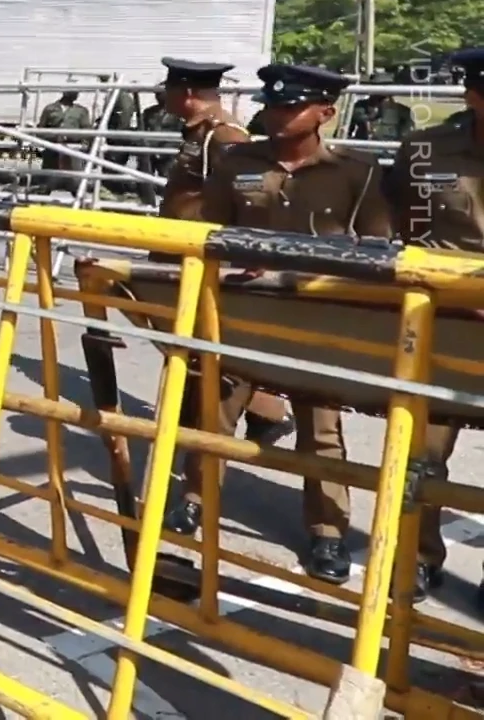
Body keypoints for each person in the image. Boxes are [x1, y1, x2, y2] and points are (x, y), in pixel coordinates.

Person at [166, 62, 389, 584]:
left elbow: (378, 246)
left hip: (317, 313)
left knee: (321, 424)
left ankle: (328, 531)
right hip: (242, 308)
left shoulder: (357, 172)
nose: (278, 114)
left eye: (293, 106)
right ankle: (195, 499)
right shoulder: (236, 160)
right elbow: (213, 230)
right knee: (215, 409)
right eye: (273, 105)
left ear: (325, 113)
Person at [385, 45, 484, 606]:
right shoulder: (425, 148)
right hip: (440, 322)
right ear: (473, 96)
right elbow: (404, 222)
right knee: (420, 451)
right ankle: (416, 557)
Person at [153, 58, 295, 446]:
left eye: (167, 88)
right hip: (184, 254)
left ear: (185, 93)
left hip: (206, 258)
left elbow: (251, 197)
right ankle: (251, 413)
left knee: (206, 341)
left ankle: (267, 411)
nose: (161, 94)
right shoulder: (200, 133)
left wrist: (248, 255)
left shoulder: (224, 136)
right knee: (185, 338)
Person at [36, 91, 92, 194]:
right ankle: (41, 201)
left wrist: (73, 137)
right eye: (74, 92)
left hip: (73, 150)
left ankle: (79, 202)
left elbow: (87, 131)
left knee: (76, 182)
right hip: (53, 149)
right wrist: (54, 137)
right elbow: (40, 130)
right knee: (46, 182)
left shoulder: (81, 111)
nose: (77, 95)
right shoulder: (50, 109)